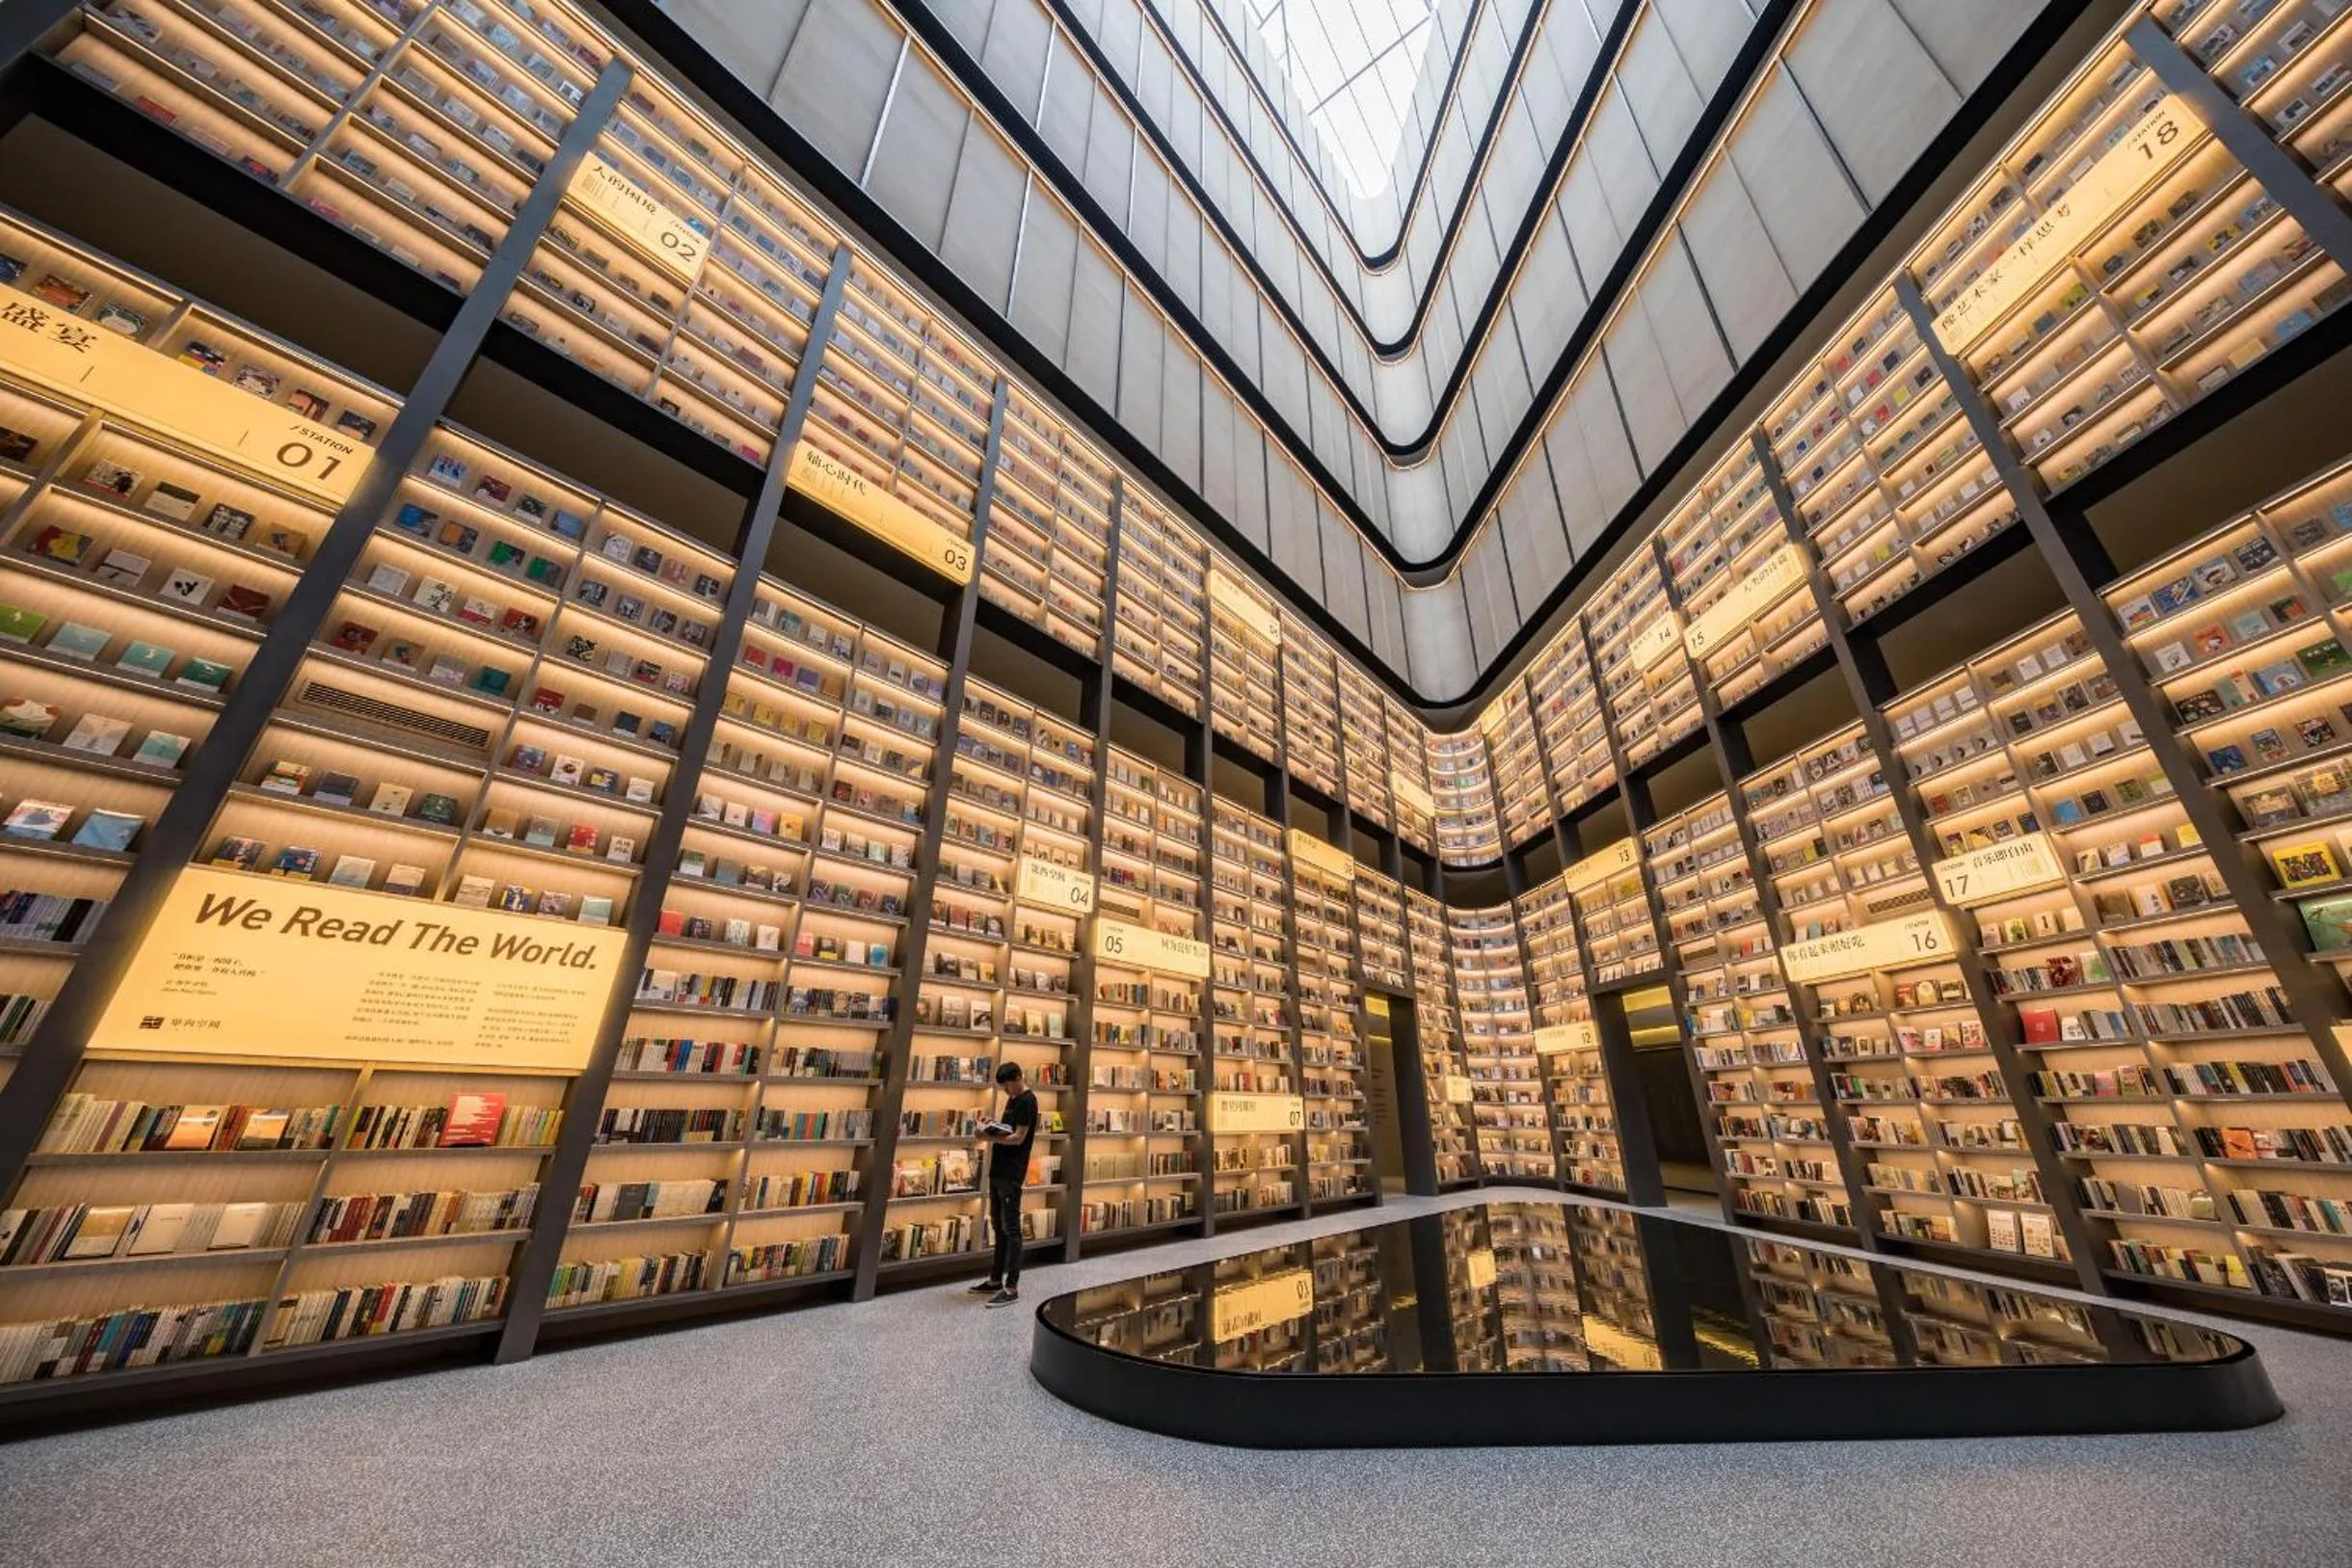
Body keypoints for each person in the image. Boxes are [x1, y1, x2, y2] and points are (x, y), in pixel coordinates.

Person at [970, 1060, 1037, 1307]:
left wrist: (988, 1136)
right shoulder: (1013, 1100)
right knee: (998, 1227)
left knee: (1012, 1228)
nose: (1006, 1091)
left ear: (1018, 1078)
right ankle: (996, 1279)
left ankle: (1012, 1287)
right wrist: (991, 1127)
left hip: (1011, 1173)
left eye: (1007, 1085)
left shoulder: (1028, 1101)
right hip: (998, 1170)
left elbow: (1019, 1138)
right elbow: (1008, 1130)